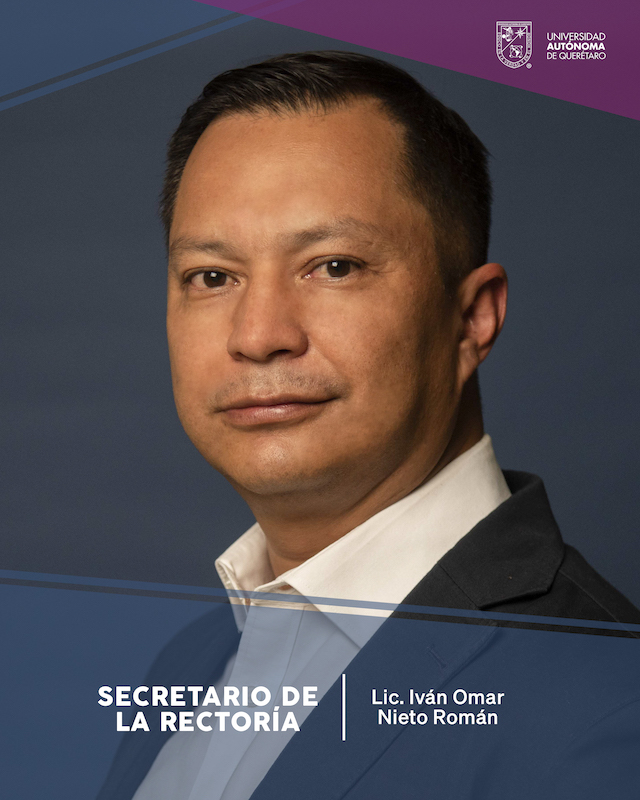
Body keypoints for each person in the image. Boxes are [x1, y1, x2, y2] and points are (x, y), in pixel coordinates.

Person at [98, 51, 640, 800]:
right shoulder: (191, 666)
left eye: (335, 266)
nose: (258, 335)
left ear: (472, 318)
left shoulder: (604, 716)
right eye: (212, 277)